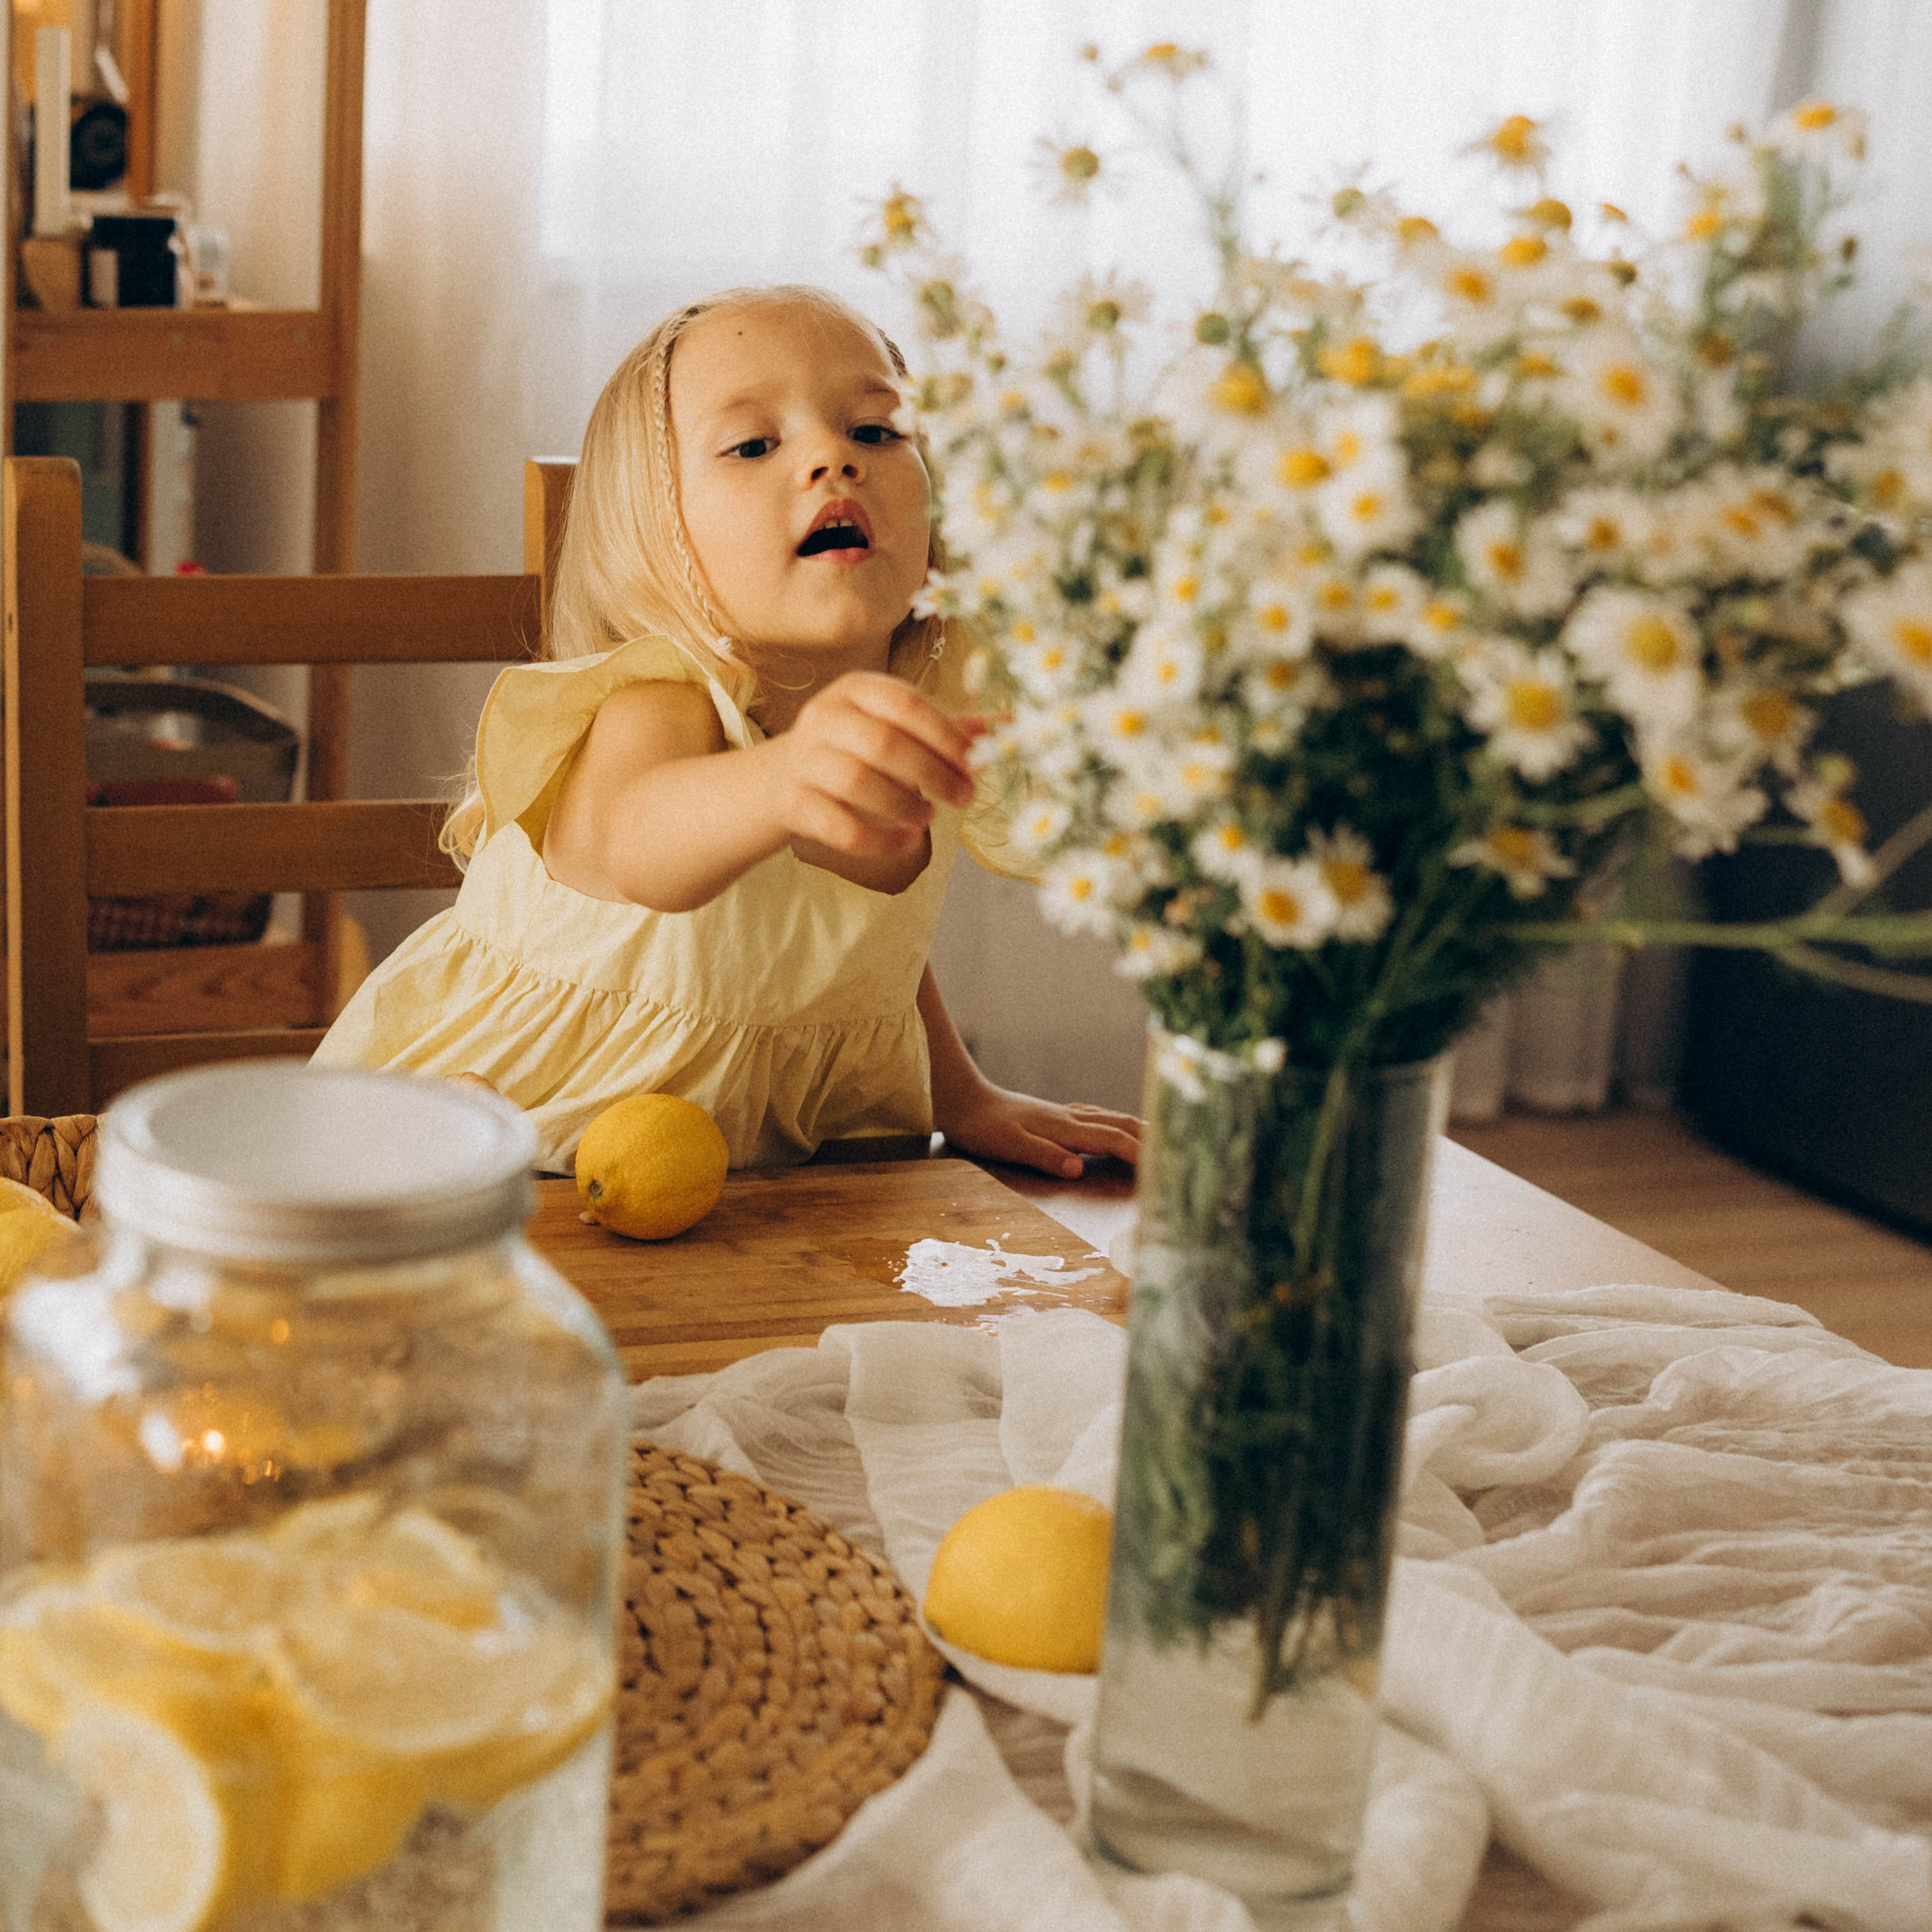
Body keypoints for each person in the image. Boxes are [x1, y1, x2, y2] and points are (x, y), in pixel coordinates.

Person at [312, 285, 1141, 1179]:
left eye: (875, 431)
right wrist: (785, 778)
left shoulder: (917, 703)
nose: (832, 457)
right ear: (658, 536)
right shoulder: (659, 702)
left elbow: (861, 951)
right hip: (485, 1160)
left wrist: (964, 1096)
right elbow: (641, 842)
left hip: (750, 1216)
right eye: (753, 444)